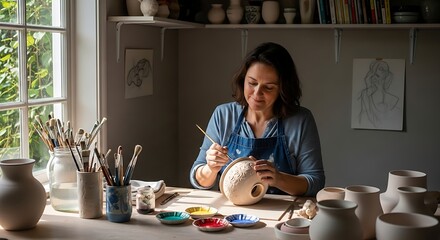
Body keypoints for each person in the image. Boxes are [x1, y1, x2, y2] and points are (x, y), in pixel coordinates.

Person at [189, 42, 325, 196]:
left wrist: (278, 178)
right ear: (243, 80)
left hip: (281, 212)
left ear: (283, 89)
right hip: (232, 213)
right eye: (252, 83)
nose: (256, 93)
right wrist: (210, 169)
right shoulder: (223, 115)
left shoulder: (300, 120)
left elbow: (316, 182)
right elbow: (197, 178)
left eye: (268, 87)